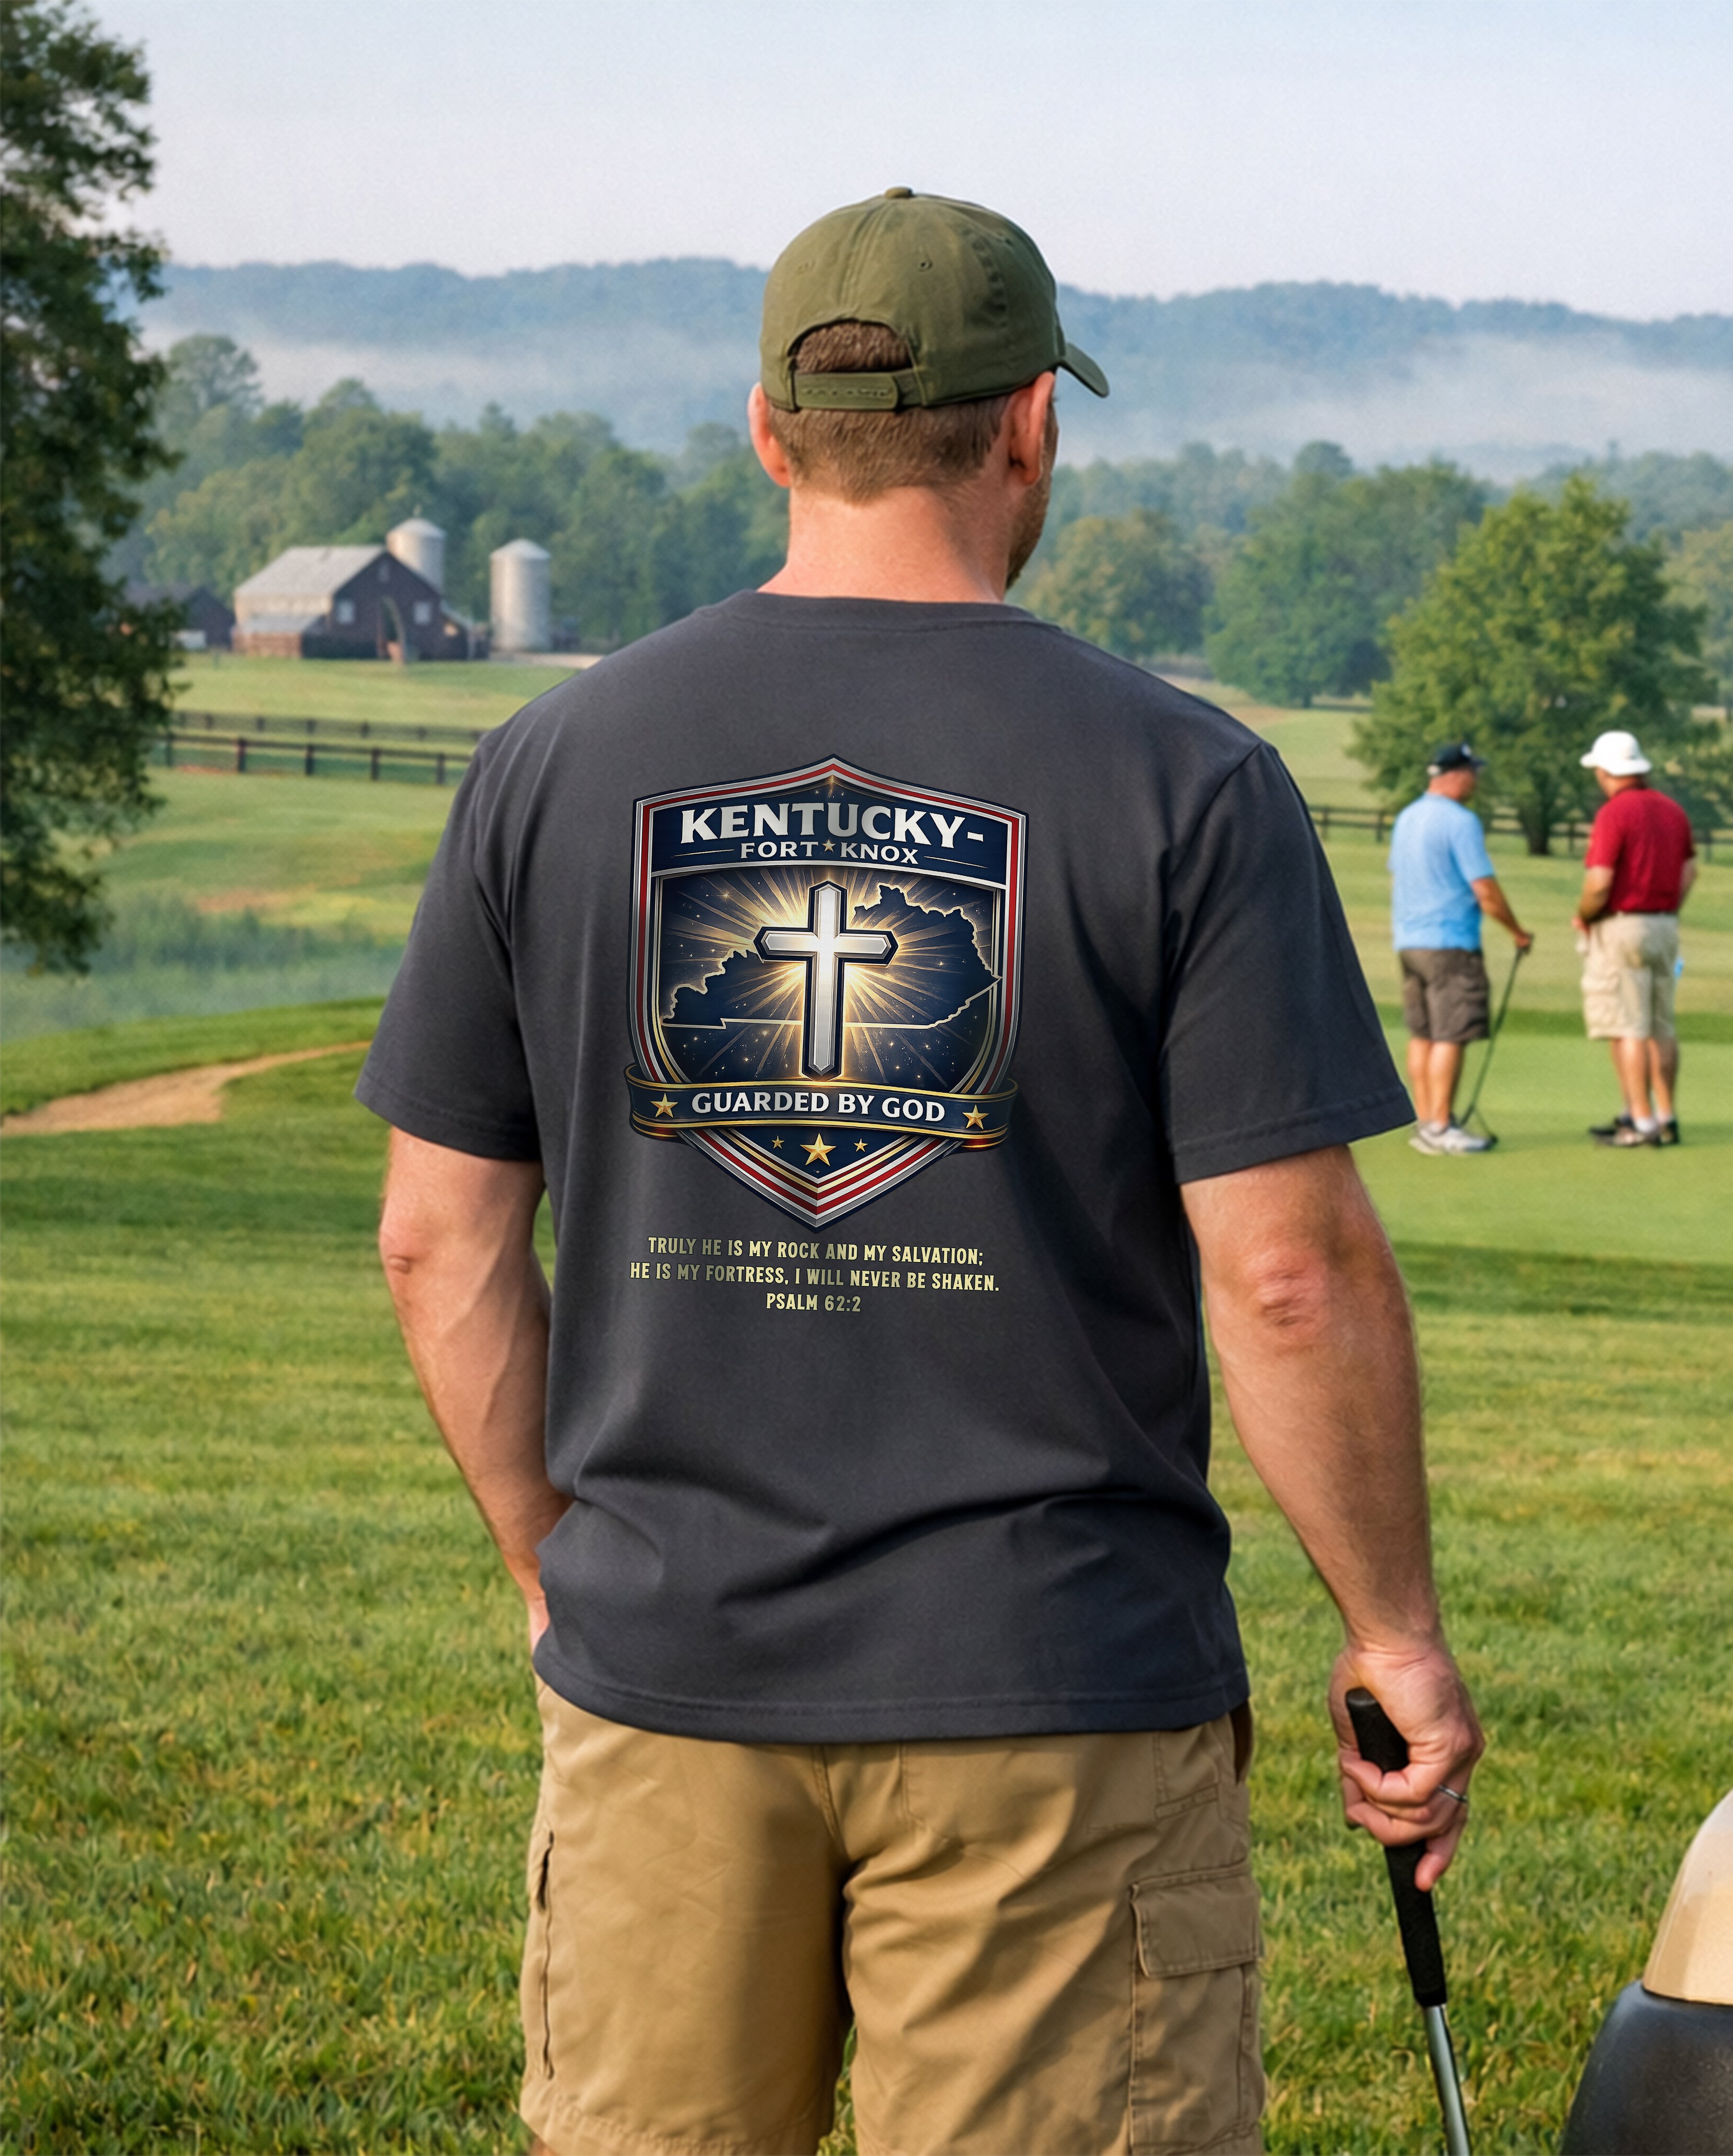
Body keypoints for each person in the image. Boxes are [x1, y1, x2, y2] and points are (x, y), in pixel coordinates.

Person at [360, 189, 1481, 2156]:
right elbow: (1287, 1275)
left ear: (768, 430)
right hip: (1056, 1691)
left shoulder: (549, 766)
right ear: (1031, 422)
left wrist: (561, 1569)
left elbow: (435, 1240)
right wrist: (1393, 1634)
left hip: (665, 1682)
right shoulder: (1184, 781)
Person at [1388, 742, 1534, 1155]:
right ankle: (1441, 1125)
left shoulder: (1407, 817)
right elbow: (1484, 889)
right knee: (1451, 1033)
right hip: (1450, 942)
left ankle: (1425, 1121)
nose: (1476, 780)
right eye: (1472, 772)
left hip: (1410, 941)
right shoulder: (1461, 821)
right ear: (1454, 775)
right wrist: (1517, 932)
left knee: (1423, 1033)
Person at [1571, 728, 1697, 1148]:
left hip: (1623, 924)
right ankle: (1665, 1115)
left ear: (1607, 771)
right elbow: (1689, 872)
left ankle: (1639, 1123)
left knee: (1628, 1026)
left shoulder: (1615, 813)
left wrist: (1584, 915)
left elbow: (1600, 883)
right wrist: (1667, 907)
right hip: (1665, 924)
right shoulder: (1673, 811)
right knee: (1661, 1024)